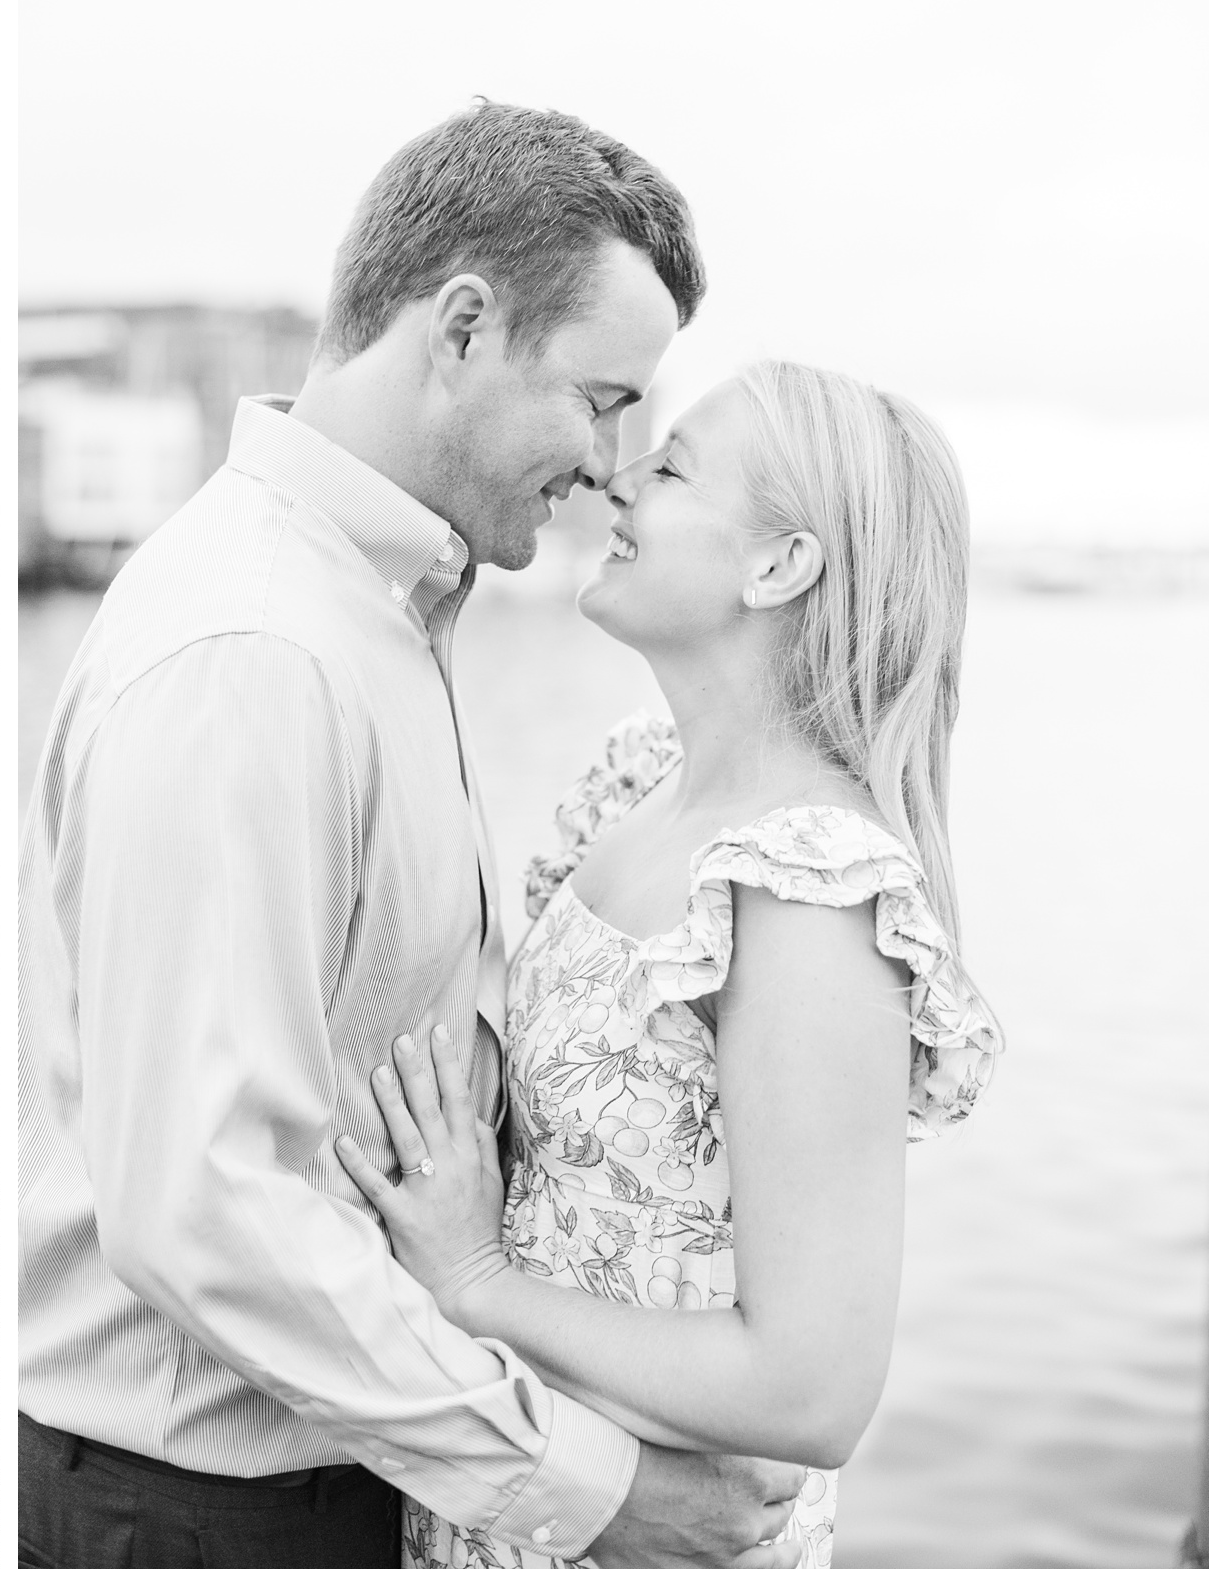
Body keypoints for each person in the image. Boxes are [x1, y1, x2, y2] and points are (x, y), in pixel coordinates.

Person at [20, 103, 811, 1568]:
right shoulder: (256, 651)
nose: (608, 462)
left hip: (314, 1481)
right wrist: (593, 1487)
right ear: (460, 329)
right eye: (600, 398)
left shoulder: (370, 613)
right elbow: (204, 1204)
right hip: (200, 1511)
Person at [339, 362, 1003, 1566]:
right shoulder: (641, 785)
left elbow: (811, 1390)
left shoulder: (806, 897)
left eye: (674, 465)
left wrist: (477, 1280)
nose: (613, 473)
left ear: (778, 566)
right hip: (534, 1503)